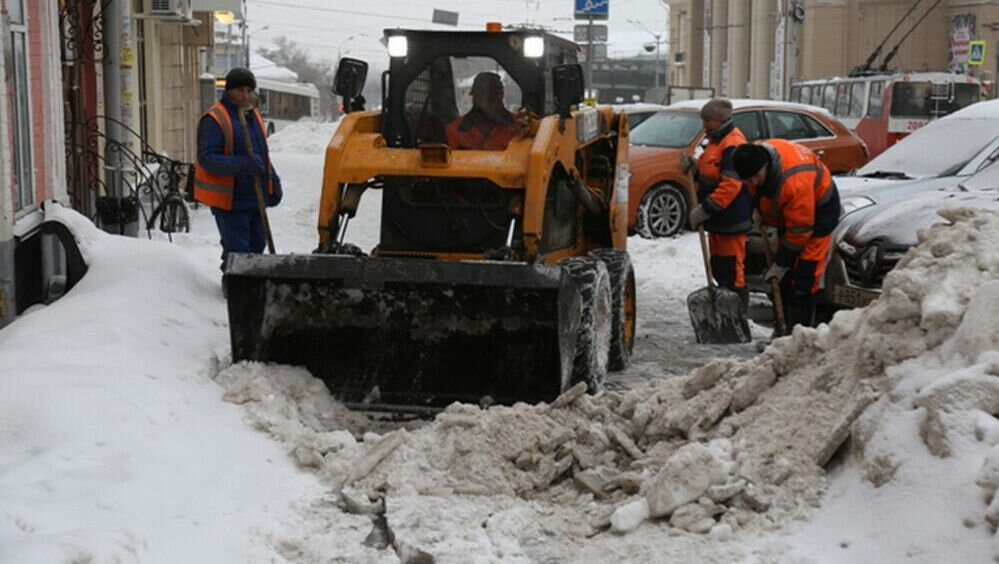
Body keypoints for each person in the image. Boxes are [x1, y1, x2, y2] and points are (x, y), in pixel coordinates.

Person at [732, 139, 841, 330]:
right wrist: (757, 209)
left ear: (765, 165)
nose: (754, 183)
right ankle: (782, 326)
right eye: (748, 180)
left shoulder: (794, 181)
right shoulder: (753, 156)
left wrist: (781, 264)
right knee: (783, 279)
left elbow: (800, 231)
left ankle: (799, 335)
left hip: (819, 214)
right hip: (791, 216)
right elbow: (755, 190)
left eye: (756, 176)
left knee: (804, 275)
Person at [194, 67, 282, 271]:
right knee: (238, 252)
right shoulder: (215, 119)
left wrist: (273, 181)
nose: (246, 95)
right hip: (230, 201)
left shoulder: (253, 116)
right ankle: (235, 289)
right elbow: (207, 158)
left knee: (257, 247)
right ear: (229, 90)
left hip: (255, 197)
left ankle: (252, 289)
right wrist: (242, 164)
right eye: (240, 90)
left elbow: (263, 157)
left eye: (249, 90)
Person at [681, 98, 753, 314]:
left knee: (732, 270)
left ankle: (736, 314)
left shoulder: (733, 144)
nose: (704, 125)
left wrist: (704, 210)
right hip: (719, 220)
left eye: (707, 120)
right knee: (720, 267)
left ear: (719, 120)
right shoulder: (715, 140)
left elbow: (730, 185)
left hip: (731, 218)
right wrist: (694, 167)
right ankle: (722, 312)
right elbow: (711, 173)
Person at [445, 71, 516, 150]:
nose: (487, 98)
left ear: (502, 94)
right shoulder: (453, 130)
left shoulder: (521, 129)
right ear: (473, 94)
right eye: (482, 93)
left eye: (494, 93)